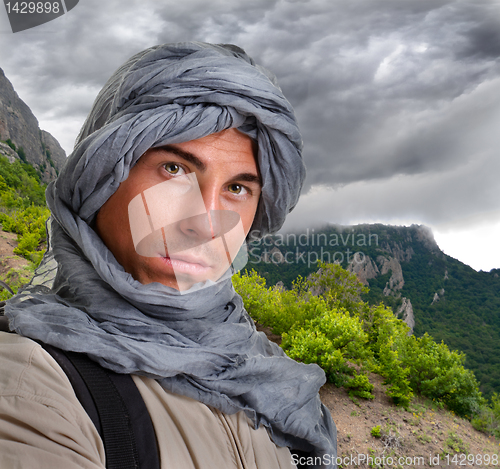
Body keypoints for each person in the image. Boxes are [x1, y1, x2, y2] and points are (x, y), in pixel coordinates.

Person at [0, 42, 337, 468]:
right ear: (101, 177)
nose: (205, 223)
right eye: (174, 169)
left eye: (237, 188)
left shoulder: (267, 373)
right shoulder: (30, 383)